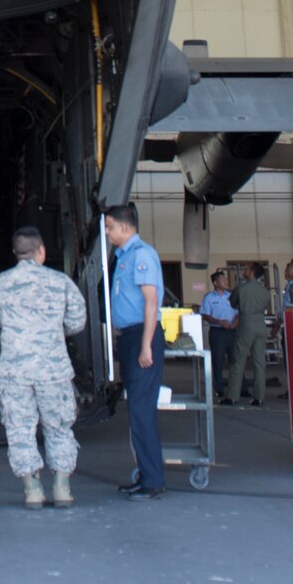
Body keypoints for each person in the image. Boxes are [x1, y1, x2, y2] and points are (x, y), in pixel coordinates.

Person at [0, 227, 87, 510]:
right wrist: (51, 331)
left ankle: (32, 491)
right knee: (60, 427)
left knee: (20, 429)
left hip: (15, 372)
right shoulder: (60, 282)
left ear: (16, 253)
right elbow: (77, 321)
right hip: (54, 370)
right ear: (41, 251)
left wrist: (14, 336)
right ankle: (62, 489)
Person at [104, 204, 166, 500]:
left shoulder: (141, 255)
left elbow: (150, 302)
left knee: (142, 410)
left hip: (143, 334)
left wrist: (145, 344)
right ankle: (146, 475)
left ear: (125, 228)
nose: (107, 232)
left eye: (110, 227)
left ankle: (153, 481)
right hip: (130, 337)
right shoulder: (123, 257)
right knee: (137, 410)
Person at [225, 263, 271, 407]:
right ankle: (259, 397)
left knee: (238, 361)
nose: (244, 271)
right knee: (259, 362)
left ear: (251, 272)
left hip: (246, 325)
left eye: (246, 269)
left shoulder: (242, 288)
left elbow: (233, 303)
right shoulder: (265, 291)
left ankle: (232, 396)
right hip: (260, 325)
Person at [198, 269, 238, 399]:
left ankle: (238, 388)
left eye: (225, 279)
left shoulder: (231, 296)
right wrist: (219, 322)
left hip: (232, 331)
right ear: (215, 283)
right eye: (222, 280)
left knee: (236, 360)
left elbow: (239, 311)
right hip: (218, 332)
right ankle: (219, 389)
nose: (226, 282)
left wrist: (235, 323)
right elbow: (205, 315)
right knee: (218, 361)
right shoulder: (209, 298)